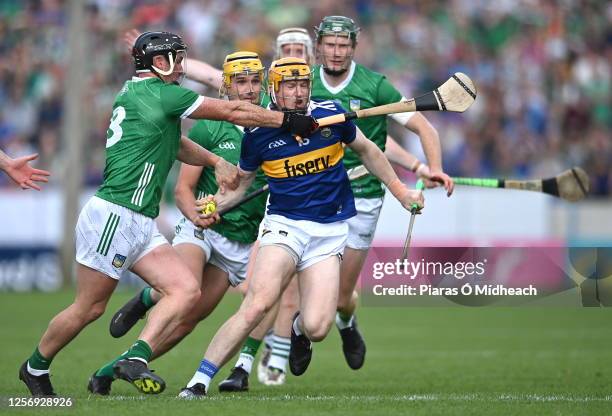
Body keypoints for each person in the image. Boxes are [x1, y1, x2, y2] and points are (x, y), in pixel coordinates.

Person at [19, 31, 317, 397]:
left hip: (141, 219)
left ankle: (136, 357)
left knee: (185, 291)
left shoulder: (145, 95)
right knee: (89, 307)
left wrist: (213, 160)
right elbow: (232, 109)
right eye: (176, 58)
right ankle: (35, 366)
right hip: (115, 213)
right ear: (159, 62)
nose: (182, 67)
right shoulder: (161, 93)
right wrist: (287, 121)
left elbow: (175, 144)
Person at [177, 57, 424, 398]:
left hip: (329, 231)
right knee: (258, 303)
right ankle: (198, 381)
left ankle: (297, 328)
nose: (298, 92)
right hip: (284, 227)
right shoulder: (258, 134)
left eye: (303, 85)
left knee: (318, 327)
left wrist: (400, 191)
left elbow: (368, 151)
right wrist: (213, 206)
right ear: (275, 90)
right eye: (290, 86)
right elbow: (242, 185)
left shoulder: (332, 116)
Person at [89, 51, 271, 395]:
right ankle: (149, 296)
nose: (248, 89)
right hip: (200, 228)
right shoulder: (210, 128)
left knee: (187, 321)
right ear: (226, 88)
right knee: (185, 289)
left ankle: (110, 370)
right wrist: (197, 215)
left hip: (240, 239)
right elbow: (184, 190)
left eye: (254, 81)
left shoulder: (272, 128)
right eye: (240, 82)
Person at [306, 16, 454, 371]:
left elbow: (423, 126)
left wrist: (431, 166)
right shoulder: (301, 84)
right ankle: (296, 332)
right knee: (305, 283)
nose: (337, 52)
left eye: (344, 46)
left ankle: (347, 322)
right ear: (319, 47)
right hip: (311, 195)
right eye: (330, 45)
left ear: (353, 48)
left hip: (363, 196)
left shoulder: (375, 87)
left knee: (341, 297)